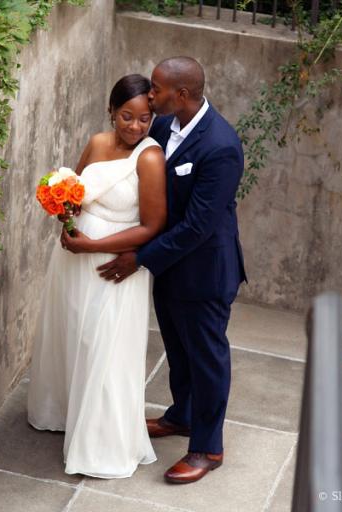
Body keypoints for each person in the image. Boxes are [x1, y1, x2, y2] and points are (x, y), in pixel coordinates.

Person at [97, 57, 247, 484]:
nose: (149, 95)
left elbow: (199, 225)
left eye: (157, 89)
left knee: (207, 359)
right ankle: (181, 416)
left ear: (181, 95)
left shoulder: (221, 145)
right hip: (170, 267)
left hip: (205, 271)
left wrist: (139, 257)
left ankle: (207, 447)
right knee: (177, 351)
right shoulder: (161, 126)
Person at [27, 74, 166, 478]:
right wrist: (64, 219)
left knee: (103, 348)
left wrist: (92, 246)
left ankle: (102, 442)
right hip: (72, 261)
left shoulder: (150, 157)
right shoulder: (97, 141)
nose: (136, 127)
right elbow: (74, 190)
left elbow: (153, 225)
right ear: (111, 111)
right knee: (72, 334)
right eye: (127, 116)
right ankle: (64, 412)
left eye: (145, 118)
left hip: (112, 266)